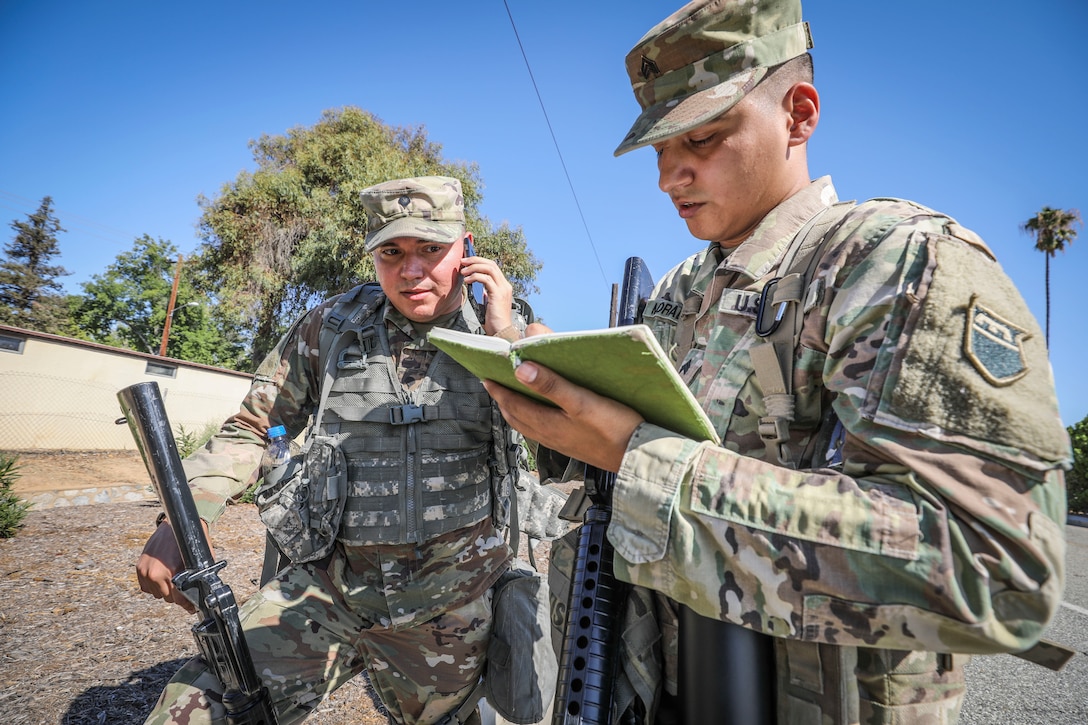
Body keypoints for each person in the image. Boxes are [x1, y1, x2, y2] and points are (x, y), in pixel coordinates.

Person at [484, 1, 1071, 723]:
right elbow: (615, 479)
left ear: (798, 114)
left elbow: (996, 568)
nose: (670, 176)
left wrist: (639, 457)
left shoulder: (895, 262)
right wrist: (554, 404)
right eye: (660, 149)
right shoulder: (677, 292)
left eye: (701, 136)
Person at [136, 175, 533, 725]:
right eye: (392, 252)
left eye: (431, 250)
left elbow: (554, 449)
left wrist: (506, 345)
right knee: (199, 708)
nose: (411, 270)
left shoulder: (510, 331)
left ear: (466, 249)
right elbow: (254, 425)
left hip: (450, 604)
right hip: (330, 587)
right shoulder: (332, 327)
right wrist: (187, 511)